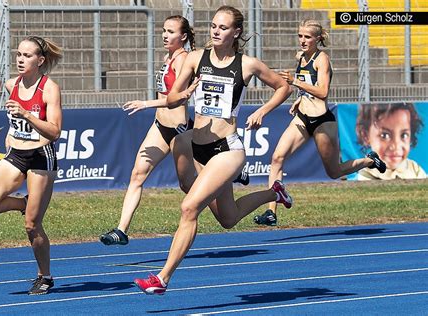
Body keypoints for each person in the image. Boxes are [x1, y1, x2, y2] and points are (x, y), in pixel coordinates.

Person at [133, 5, 293, 295]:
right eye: (213, 26)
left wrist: (264, 111)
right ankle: (275, 193)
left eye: (223, 27)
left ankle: (162, 278)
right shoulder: (196, 58)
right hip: (199, 150)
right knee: (228, 219)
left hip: (227, 149)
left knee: (189, 207)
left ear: (236, 32)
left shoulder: (248, 65)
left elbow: (283, 87)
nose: (216, 31)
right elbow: (172, 98)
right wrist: (184, 94)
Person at [99, 15, 248, 247]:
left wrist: (146, 103)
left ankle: (230, 178)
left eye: (171, 32)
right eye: (164, 30)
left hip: (180, 131)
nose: (165, 35)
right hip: (160, 127)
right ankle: (121, 230)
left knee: (188, 187)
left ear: (184, 36)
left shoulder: (185, 60)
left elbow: (176, 99)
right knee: (137, 175)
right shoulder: (167, 57)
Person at [254, 19, 387, 227]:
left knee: (333, 172)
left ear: (318, 39)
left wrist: (295, 82)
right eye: (300, 36)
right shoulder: (300, 57)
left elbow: (323, 92)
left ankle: (370, 160)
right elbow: (308, 85)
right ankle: (271, 212)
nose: (303, 41)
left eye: (307, 37)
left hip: (322, 122)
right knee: (277, 158)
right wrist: (299, 99)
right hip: (302, 118)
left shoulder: (321, 59)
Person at [0, 36, 62, 295]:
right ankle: (23, 204)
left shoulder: (49, 88)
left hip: (41, 156)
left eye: (27, 56)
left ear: (40, 60)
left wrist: (27, 115)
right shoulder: (11, 84)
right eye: (18, 54)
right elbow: (14, 122)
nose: (21, 60)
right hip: (16, 155)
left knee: (32, 225)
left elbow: (55, 132)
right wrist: (12, 132)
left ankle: (45, 276)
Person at [355, 102, 426, 180]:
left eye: (404, 135)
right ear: (366, 136)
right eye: (384, 135)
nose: (396, 146)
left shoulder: (415, 169)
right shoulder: (366, 174)